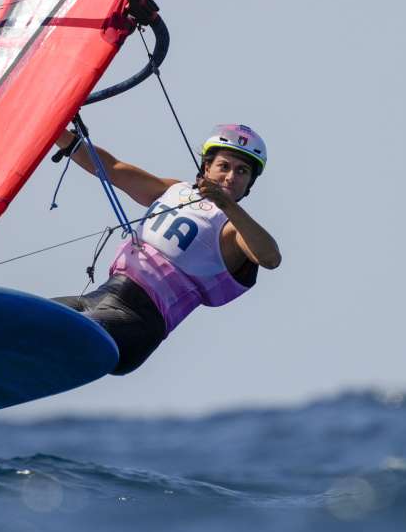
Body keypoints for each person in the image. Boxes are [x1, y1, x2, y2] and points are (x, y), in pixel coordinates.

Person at [52, 123, 281, 374]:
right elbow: (113, 169)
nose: (230, 177)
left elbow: (270, 258)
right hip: (97, 300)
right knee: (36, 316)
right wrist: (57, 133)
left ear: (250, 183)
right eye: (223, 167)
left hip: (135, 326)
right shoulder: (174, 191)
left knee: (63, 329)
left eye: (242, 171)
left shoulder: (234, 231)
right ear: (206, 167)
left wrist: (227, 205)